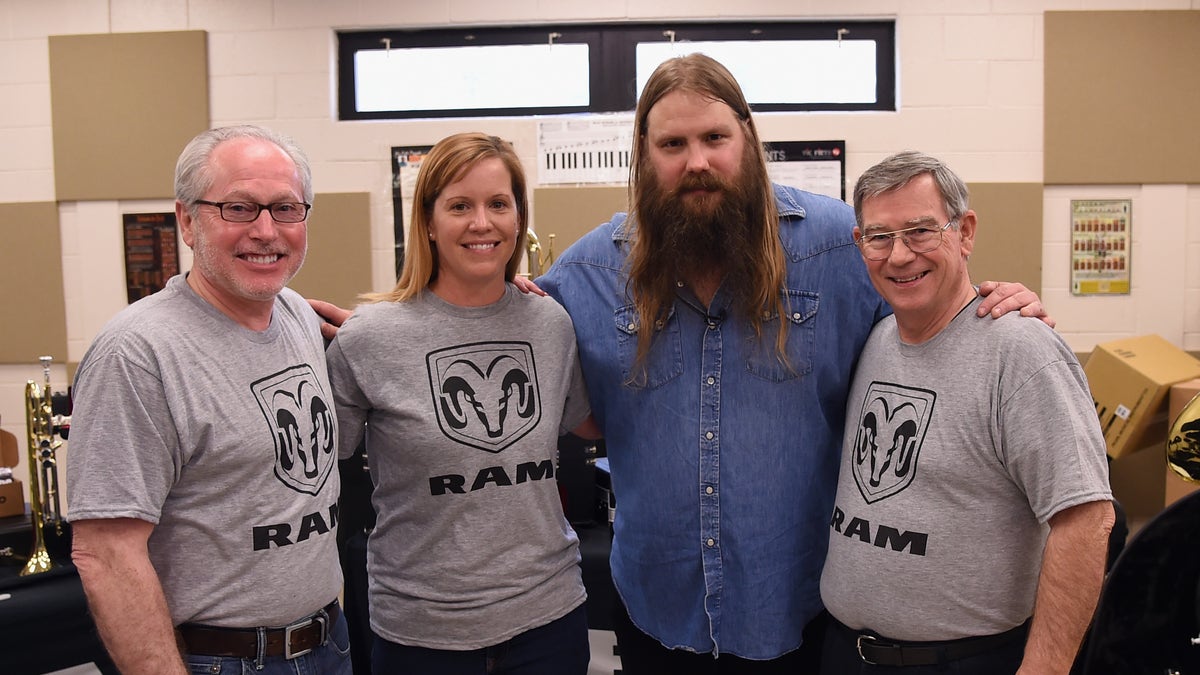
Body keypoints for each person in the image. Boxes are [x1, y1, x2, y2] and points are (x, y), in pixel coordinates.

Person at [534, 53, 1049, 673]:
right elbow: (547, 375)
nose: (696, 161)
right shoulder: (588, 274)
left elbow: (928, 328)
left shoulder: (839, 246)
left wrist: (994, 306)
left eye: (714, 138)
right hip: (657, 610)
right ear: (644, 154)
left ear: (748, 139)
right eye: (673, 143)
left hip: (802, 613)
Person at [67, 125, 350, 675]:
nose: (266, 231)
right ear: (187, 220)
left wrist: (508, 289)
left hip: (327, 645)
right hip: (218, 661)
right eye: (239, 208)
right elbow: (104, 553)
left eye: (286, 208)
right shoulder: (137, 354)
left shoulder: (292, 312)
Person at [819, 150, 1114, 674]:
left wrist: (1044, 669)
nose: (900, 256)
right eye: (880, 237)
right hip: (846, 654)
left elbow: (1086, 518)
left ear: (965, 231)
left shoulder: (1022, 352)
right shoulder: (876, 339)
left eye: (921, 231)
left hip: (966, 660)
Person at [324, 132, 597, 675]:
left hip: (549, 620)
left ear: (519, 217)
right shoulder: (369, 337)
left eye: (498, 203)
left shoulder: (549, 322)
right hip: (423, 635)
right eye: (459, 206)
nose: (481, 223)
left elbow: (586, 425)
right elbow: (316, 465)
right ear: (427, 221)